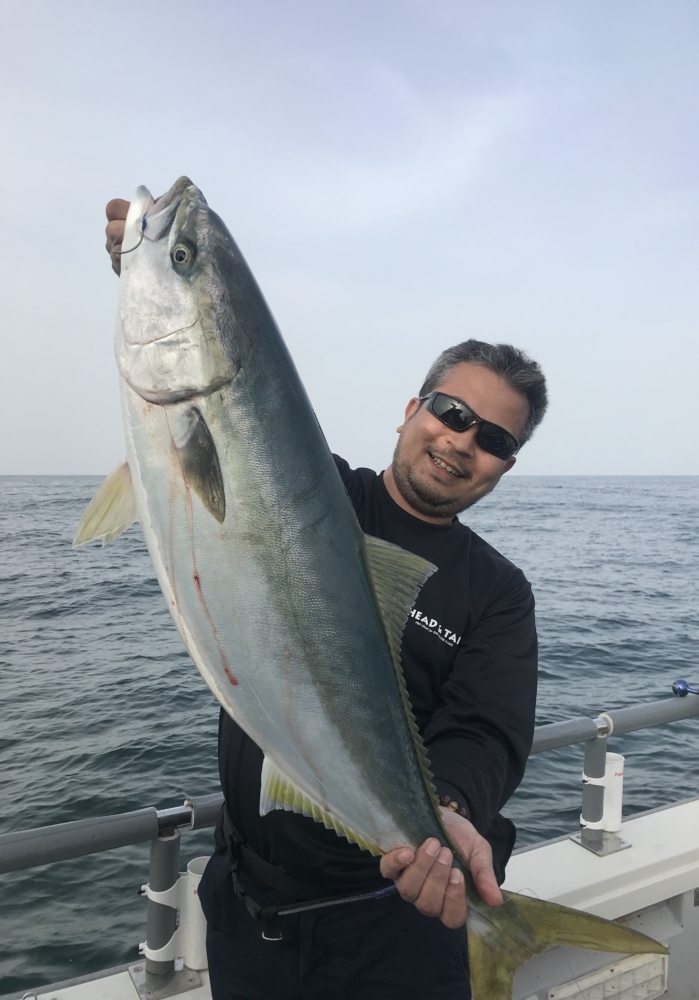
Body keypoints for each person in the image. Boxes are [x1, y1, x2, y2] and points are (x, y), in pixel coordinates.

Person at [106, 201, 548, 1000]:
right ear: (412, 411)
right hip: (250, 915)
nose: (461, 441)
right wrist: (152, 284)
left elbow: (489, 732)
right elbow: (243, 426)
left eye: (494, 439)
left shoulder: (497, 593)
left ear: (505, 465)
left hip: (398, 923)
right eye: (452, 413)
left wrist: (445, 810)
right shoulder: (312, 497)